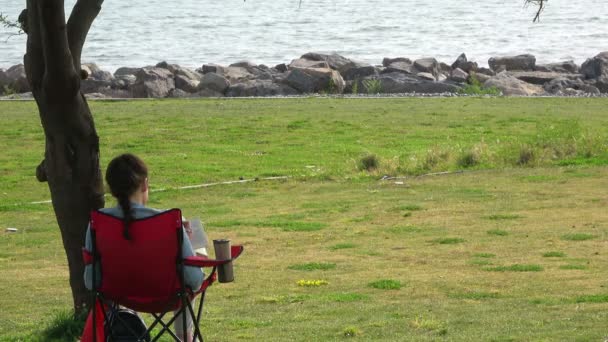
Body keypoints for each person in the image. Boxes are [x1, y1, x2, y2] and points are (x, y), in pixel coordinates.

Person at [83, 153, 203, 342]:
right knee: (192, 266)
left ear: (111, 189)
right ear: (145, 184)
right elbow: (195, 280)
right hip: (168, 295)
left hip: (118, 296)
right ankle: (186, 338)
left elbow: (91, 281)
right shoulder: (170, 222)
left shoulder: (98, 223)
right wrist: (189, 247)